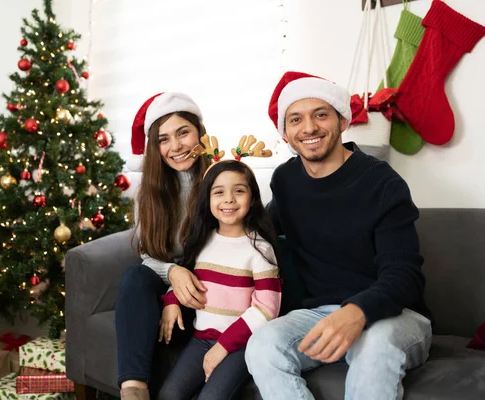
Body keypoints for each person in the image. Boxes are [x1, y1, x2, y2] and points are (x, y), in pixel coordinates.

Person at [245, 71, 433, 400]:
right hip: (319, 313)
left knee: (374, 344)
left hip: (395, 316)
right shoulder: (286, 181)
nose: (309, 128)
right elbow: (255, 234)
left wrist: (356, 312)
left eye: (321, 114)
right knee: (262, 345)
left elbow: (405, 276)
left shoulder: (382, 183)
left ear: (342, 121)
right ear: (286, 134)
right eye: (295, 119)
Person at [157, 159, 281, 400]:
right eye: (219, 192)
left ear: (252, 197)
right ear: (208, 198)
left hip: (240, 345)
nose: (229, 199)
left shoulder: (260, 249)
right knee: (169, 395)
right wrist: (171, 300)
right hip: (200, 339)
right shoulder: (202, 239)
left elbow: (267, 309)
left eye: (239, 191)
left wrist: (223, 346)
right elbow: (185, 277)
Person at [116, 92, 212, 400]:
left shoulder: (220, 178)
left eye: (183, 132)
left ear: (200, 132)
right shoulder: (149, 188)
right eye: (164, 139)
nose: (176, 146)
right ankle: (134, 387)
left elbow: (226, 253)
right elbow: (148, 253)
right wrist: (172, 274)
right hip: (171, 279)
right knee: (135, 277)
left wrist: (174, 295)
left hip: (208, 289)